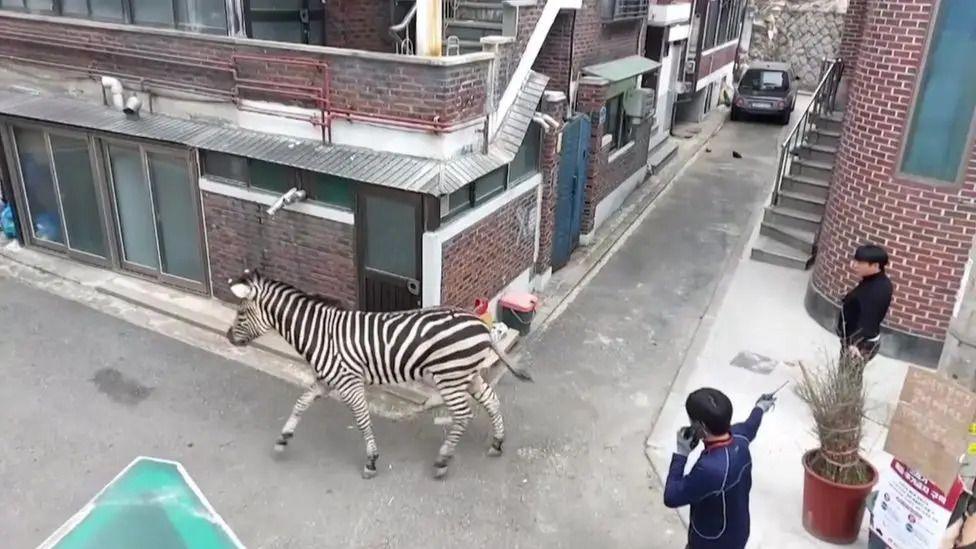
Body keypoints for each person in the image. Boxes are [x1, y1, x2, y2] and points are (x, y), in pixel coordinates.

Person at [664, 387, 776, 549]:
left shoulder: (710, 469)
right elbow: (751, 424)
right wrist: (760, 407)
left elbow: (671, 496)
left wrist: (681, 454)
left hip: (712, 541)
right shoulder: (739, 436)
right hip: (739, 531)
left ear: (701, 426)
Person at [837, 244, 893, 363]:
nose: (855, 265)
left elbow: (869, 319)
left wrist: (854, 344)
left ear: (875, 265)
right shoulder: (879, 281)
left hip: (859, 345)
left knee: (848, 380)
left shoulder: (876, 290)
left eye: (860, 263)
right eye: (855, 261)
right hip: (856, 340)